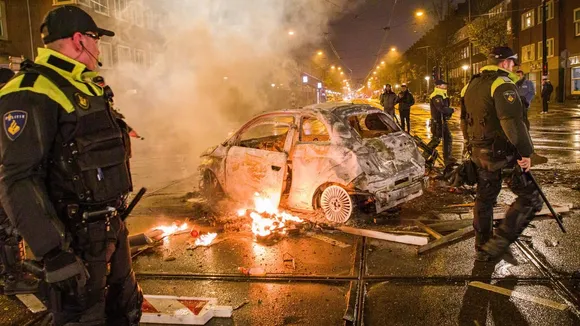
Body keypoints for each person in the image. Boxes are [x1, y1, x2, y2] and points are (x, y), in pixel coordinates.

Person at [0, 5, 142, 325]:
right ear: (79, 40)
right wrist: (54, 253)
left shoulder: (87, 86)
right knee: (84, 319)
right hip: (73, 241)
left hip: (109, 230)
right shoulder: (31, 90)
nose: (98, 46)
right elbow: (17, 178)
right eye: (96, 39)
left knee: (126, 310)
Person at [460, 47, 542, 262]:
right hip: (501, 155)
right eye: (513, 63)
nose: (514, 68)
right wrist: (527, 153)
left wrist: (471, 146)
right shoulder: (502, 84)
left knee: (485, 198)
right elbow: (512, 123)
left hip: (479, 153)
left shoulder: (470, 85)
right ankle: (498, 244)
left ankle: (483, 245)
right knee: (531, 198)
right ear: (505, 63)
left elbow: (463, 121)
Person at [427, 80, 455, 165]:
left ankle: (448, 158)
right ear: (438, 86)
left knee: (447, 138)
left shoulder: (442, 94)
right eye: (443, 85)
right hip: (438, 122)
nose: (445, 86)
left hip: (442, 121)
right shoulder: (436, 95)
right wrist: (452, 110)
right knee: (436, 140)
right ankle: (424, 156)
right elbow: (441, 108)